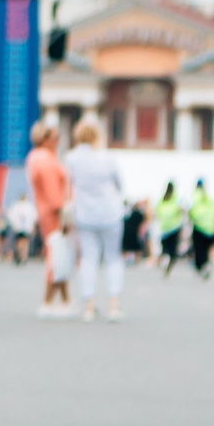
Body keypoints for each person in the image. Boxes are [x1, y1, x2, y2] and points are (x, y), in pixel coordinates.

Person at [64, 119, 127, 321]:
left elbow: (68, 186)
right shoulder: (107, 157)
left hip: (85, 213)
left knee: (88, 258)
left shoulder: (71, 158)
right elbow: (120, 184)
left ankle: (88, 306)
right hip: (110, 213)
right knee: (113, 258)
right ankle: (113, 305)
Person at [25, 120, 72, 317]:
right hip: (53, 213)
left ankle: (65, 300)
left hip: (47, 211)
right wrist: (62, 216)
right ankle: (47, 301)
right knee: (57, 255)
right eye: (55, 136)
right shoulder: (45, 160)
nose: (58, 140)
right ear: (44, 138)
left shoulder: (39, 157)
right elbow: (53, 193)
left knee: (59, 255)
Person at [187, 179, 214, 277]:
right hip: (210, 227)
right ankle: (207, 264)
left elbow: (190, 210)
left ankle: (201, 265)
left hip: (199, 226)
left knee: (199, 249)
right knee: (208, 247)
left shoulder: (194, 196)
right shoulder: (210, 197)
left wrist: (192, 219)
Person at [155, 182, 186, 278]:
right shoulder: (175, 199)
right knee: (172, 252)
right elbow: (182, 210)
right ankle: (166, 267)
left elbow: (157, 212)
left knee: (166, 250)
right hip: (172, 228)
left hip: (166, 228)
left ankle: (164, 264)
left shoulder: (163, 199)